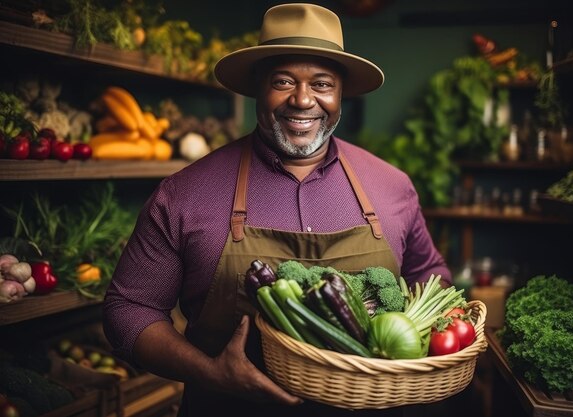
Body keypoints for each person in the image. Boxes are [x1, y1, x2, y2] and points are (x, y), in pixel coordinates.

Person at [103, 3, 451, 417]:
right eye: (283, 81)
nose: (302, 100)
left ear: (341, 94)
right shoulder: (186, 193)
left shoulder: (392, 186)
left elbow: (432, 279)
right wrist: (211, 372)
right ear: (257, 87)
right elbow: (128, 310)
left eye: (322, 83)